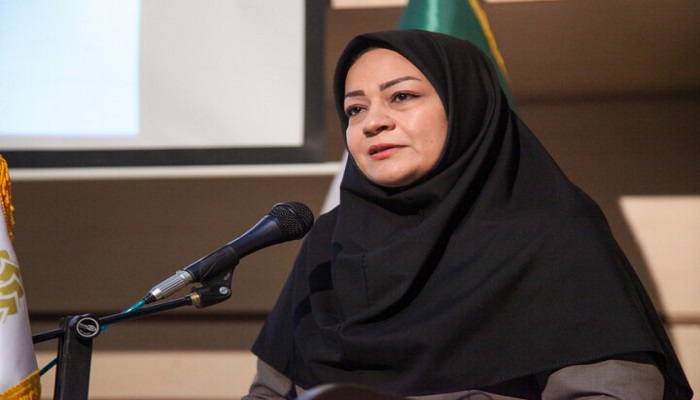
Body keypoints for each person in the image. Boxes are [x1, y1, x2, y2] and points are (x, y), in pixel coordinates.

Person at [243, 30, 693, 399]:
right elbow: (269, 393)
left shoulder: (551, 233)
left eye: (401, 96)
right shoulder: (331, 240)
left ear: (466, 105)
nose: (372, 122)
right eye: (355, 108)